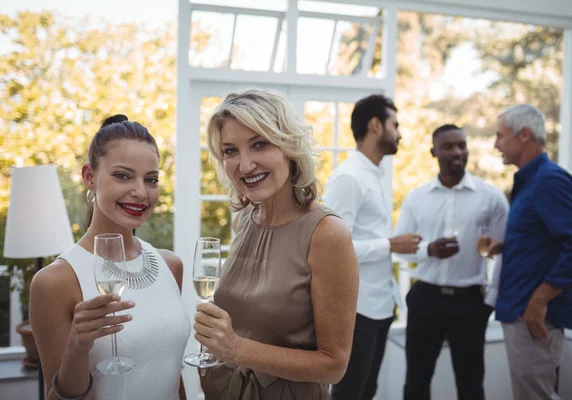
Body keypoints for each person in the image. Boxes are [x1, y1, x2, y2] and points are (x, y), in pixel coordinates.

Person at [193, 89, 359, 399]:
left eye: (259, 144)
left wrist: (236, 348)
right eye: (230, 151)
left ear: (289, 147)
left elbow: (334, 365)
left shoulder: (326, 233)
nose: (244, 165)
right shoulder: (244, 219)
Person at [30, 115, 190, 399]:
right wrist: (77, 347)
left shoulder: (170, 265)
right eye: (123, 176)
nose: (141, 192)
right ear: (89, 177)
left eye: (151, 179)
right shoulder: (55, 281)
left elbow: (173, 377)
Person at [490, 104, 572, 400]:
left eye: (500, 136)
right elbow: (545, 238)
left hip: (533, 316)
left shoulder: (549, 180)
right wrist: (510, 245)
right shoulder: (529, 181)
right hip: (519, 311)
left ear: (524, 135)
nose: (496, 144)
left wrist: (539, 301)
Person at [394, 124, 509, 400]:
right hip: (425, 299)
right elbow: (399, 248)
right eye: (448, 146)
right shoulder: (417, 197)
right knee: (416, 383)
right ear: (434, 152)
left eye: (462, 145)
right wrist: (428, 250)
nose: (457, 152)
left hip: (469, 303)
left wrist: (489, 301)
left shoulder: (491, 197)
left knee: (470, 385)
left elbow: (507, 251)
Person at [323, 94, 422, 400]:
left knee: (367, 392)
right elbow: (332, 250)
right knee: (350, 394)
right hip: (357, 310)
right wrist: (390, 245)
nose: (400, 132)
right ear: (376, 125)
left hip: (380, 306)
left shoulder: (374, 175)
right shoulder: (348, 178)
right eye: (395, 124)